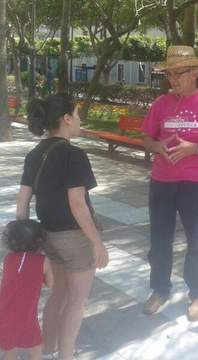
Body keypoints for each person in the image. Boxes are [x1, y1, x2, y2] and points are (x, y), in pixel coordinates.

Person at [141, 46, 198, 322]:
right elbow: (146, 139)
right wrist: (157, 145)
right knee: (160, 239)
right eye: (169, 73)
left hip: (194, 184)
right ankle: (159, 289)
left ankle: (197, 294)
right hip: (161, 183)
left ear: (194, 73)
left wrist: (196, 149)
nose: (173, 79)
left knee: (197, 242)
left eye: (178, 73)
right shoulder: (160, 104)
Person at [17, 93, 109, 360]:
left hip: (47, 236)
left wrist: (23, 245)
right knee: (76, 302)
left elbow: (22, 202)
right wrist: (97, 243)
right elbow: (78, 204)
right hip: (75, 239)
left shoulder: (34, 154)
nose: (80, 120)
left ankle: (48, 348)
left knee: (57, 295)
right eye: (78, 114)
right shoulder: (74, 154)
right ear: (67, 119)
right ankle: (66, 355)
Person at [0, 220, 54, 360]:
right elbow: (51, 283)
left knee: (10, 351)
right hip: (26, 315)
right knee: (35, 350)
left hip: (4, 312)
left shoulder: (8, 259)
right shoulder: (44, 261)